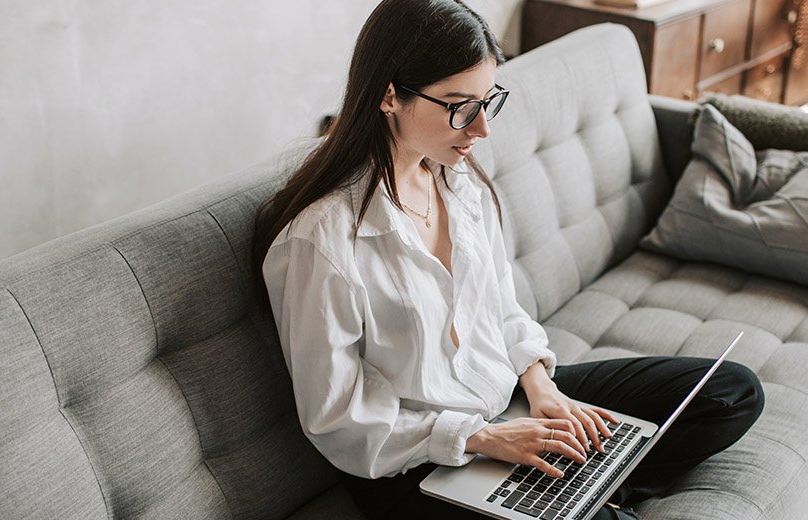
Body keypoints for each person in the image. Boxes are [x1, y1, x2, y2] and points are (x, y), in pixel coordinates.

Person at [252, 1, 765, 518]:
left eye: (486, 101)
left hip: (506, 407)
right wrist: (482, 438)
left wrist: (543, 390)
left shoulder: (458, 182)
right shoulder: (321, 241)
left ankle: (592, 487)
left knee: (731, 393)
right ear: (389, 95)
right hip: (416, 463)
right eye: (459, 106)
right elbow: (338, 418)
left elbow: (501, 308)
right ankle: (587, 494)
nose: (482, 130)